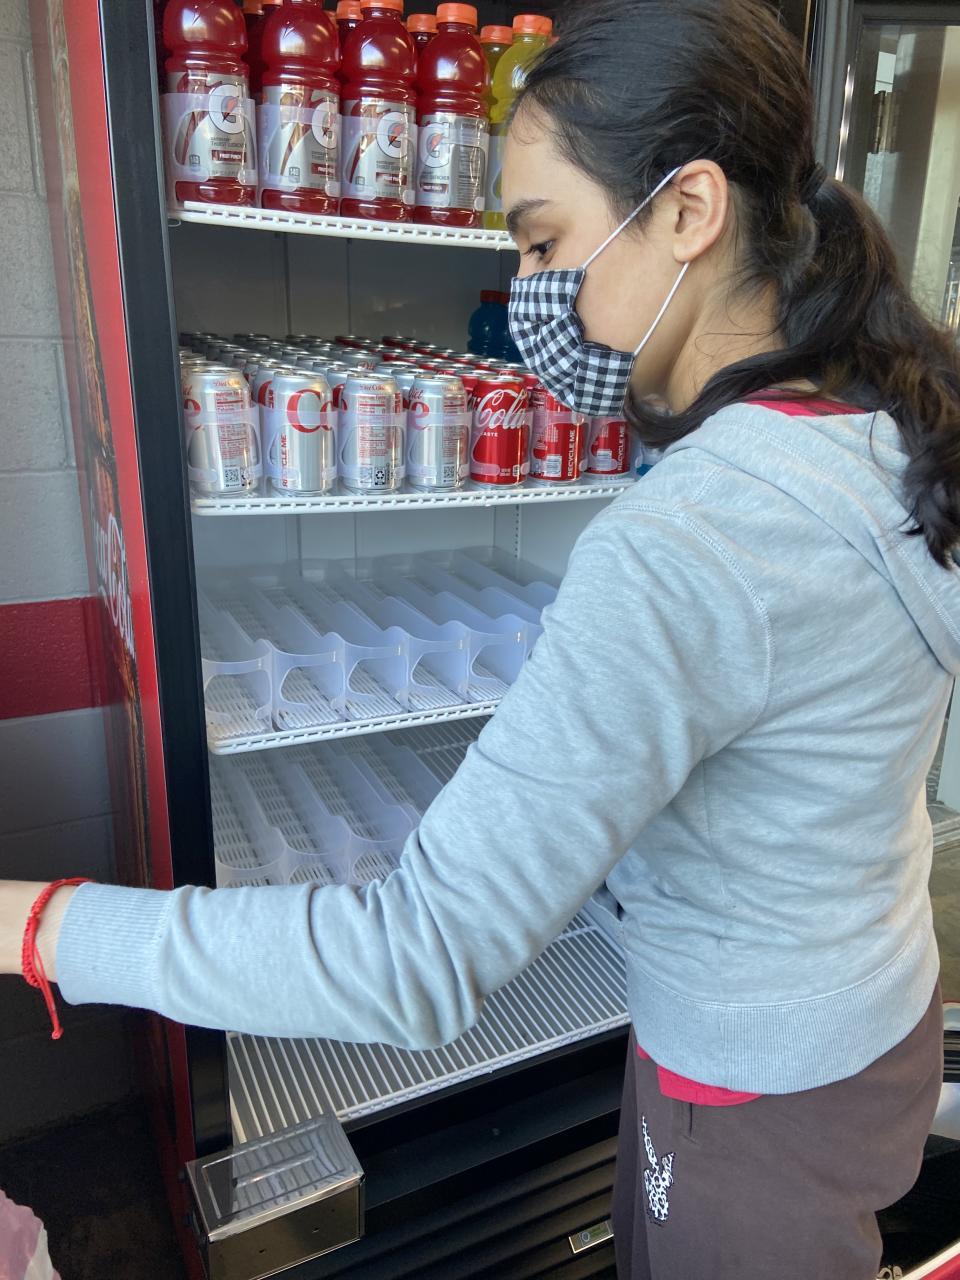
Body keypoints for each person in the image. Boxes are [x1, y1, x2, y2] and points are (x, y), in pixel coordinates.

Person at [3, 0, 960, 1274]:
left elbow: (415, 959)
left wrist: (46, 923)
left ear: (688, 208)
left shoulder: (689, 536)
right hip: (877, 1018)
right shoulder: (882, 428)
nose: (529, 293)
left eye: (546, 239)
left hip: (745, 1095)